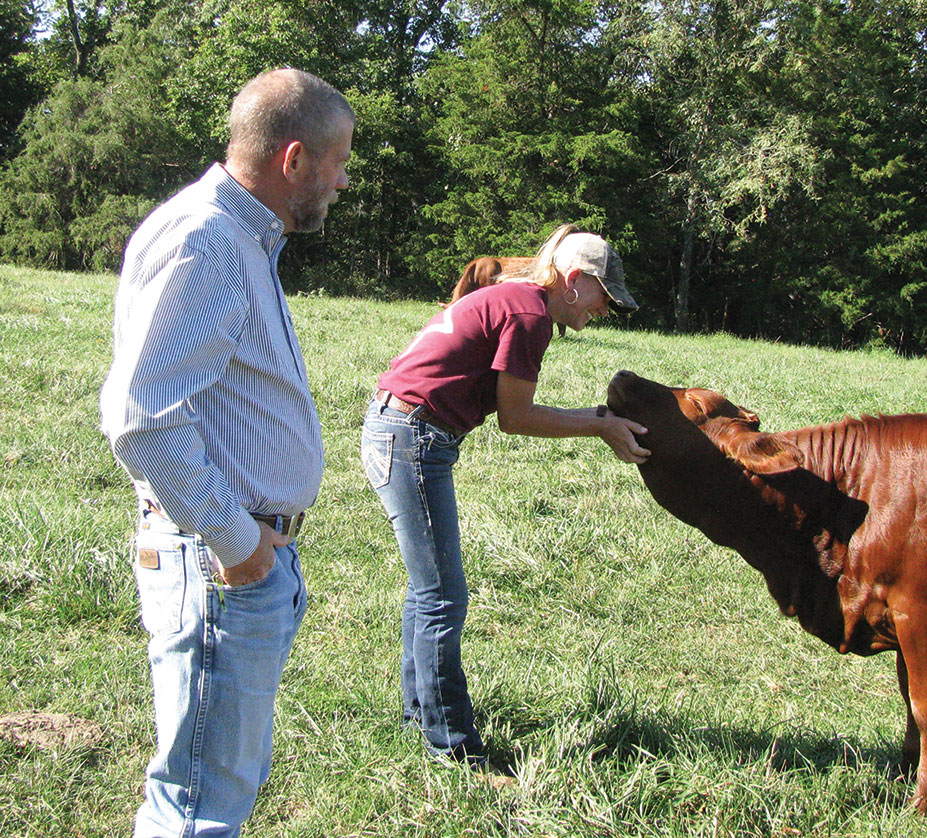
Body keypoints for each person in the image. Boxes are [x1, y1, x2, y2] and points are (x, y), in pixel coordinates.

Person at [99, 68, 353, 837]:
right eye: (339, 163)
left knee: (214, 784)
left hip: (232, 555)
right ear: (295, 159)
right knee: (200, 805)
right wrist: (238, 544)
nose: (342, 183)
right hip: (218, 560)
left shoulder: (239, 234)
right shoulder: (209, 239)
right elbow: (141, 416)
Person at [361, 224, 650, 770]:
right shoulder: (530, 315)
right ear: (573, 280)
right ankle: (452, 746)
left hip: (399, 428)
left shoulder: (520, 300)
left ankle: (420, 715)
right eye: (603, 296)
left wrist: (596, 419)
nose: (606, 310)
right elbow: (515, 418)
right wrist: (598, 426)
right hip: (412, 437)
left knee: (431, 589)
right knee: (442, 596)